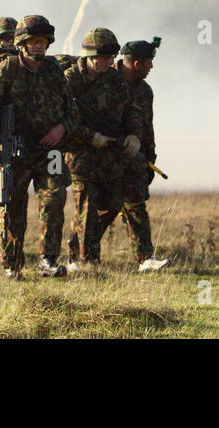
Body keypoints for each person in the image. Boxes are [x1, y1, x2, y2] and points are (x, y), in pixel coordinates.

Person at [0, 14, 77, 279]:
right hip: (12, 149)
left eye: (43, 41)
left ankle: (48, 260)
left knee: (55, 198)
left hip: (49, 150)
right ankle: (11, 264)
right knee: (10, 205)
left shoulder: (54, 71)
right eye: (34, 41)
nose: (39, 46)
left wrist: (62, 127)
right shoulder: (6, 70)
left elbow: (72, 110)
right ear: (22, 44)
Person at [63, 28, 142, 270]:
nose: (108, 62)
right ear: (88, 56)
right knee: (87, 206)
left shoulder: (114, 78)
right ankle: (88, 264)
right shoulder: (69, 80)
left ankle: (76, 247)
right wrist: (89, 136)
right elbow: (61, 117)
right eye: (103, 58)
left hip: (109, 152)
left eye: (111, 57)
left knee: (113, 204)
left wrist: (133, 136)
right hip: (80, 153)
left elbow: (130, 109)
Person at [116, 38, 169, 271]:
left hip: (136, 159)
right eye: (148, 63)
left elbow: (148, 127)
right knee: (102, 209)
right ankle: (79, 256)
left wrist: (150, 158)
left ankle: (145, 258)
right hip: (105, 157)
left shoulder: (145, 91)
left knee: (136, 204)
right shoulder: (108, 82)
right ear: (137, 63)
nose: (151, 68)